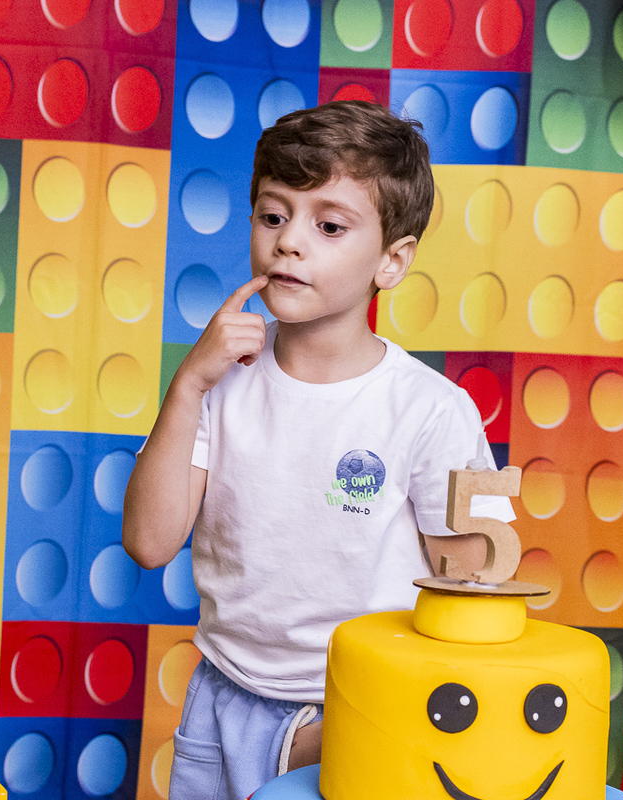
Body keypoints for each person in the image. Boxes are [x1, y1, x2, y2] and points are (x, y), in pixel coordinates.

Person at [122, 100, 514, 800]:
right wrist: (187, 386)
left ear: (392, 261)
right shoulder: (218, 383)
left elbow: (472, 588)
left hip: (356, 710)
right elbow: (150, 544)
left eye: (329, 226)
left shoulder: (429, 410)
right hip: (223, 698)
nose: (290, 243)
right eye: (273, 216)